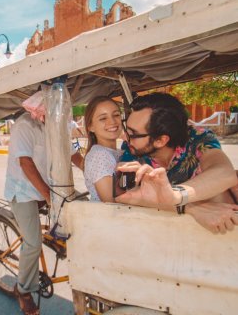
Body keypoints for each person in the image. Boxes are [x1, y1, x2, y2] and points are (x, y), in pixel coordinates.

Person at [4, 92, 83, 315]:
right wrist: (49, 197)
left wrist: (93, 175)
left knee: (83, 208)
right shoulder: (24, 126)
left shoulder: (58, 125)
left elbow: (73, 153)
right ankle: (24, 290)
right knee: (33, 242)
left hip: (50, 186)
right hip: (23, 191)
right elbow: (26, 163)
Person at [115, 92, 238, 233]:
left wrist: (175, 195)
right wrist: (189, 207)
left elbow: (224, 173)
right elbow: (125, 196)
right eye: (126, 129)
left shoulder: (197, 138)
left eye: (132, 134)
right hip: (167, 235)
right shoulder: (131, 149)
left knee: (217, 191)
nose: (124, 137)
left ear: (161, 140)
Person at [83, 96, 122, 202]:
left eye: (116, 115)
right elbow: (111, 202)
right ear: (91, 126)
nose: (112, 121)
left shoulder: (117, 152)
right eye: (103, 118)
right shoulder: (99, 155)